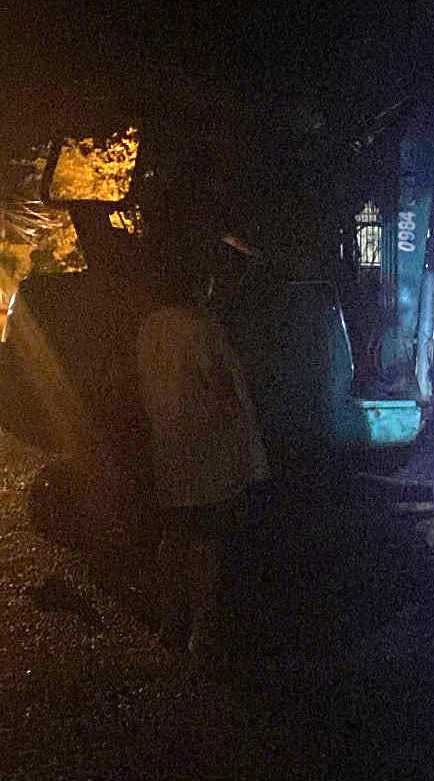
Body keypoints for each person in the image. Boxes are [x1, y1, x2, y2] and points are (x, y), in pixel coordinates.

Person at [136, 232, 270, 659]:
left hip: (168, 445)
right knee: (206, 539)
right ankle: (202, 628)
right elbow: (223, 392)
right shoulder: (199, 328)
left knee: (174, 534)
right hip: (205, 452)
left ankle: (169, 620)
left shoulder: (150, 326)